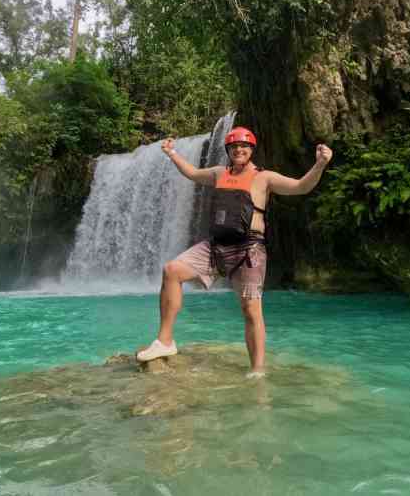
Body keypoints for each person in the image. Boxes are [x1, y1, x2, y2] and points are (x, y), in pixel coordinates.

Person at [136, 126, 333, 375]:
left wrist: (320, 165)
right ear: (228, 150)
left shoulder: (264, 178)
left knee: (251, 310)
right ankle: (165, 342)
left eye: (244, 146)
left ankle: (257, 370)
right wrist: (171, 153)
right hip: (216, 246)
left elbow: (300, 186)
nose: (239, 150)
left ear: (251, 150)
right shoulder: (219, 173)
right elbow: (194, 173)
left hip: (249, 250)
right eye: (234, 147)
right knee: (172, 270)